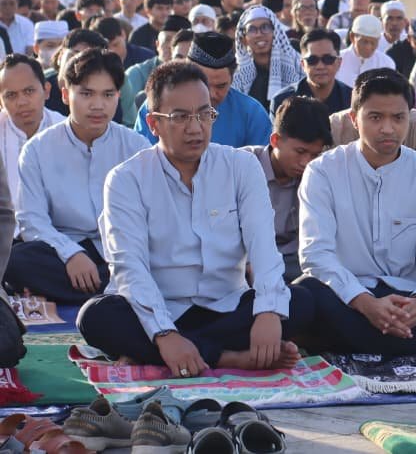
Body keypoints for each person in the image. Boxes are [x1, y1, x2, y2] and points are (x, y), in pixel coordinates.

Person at [78, 61, 316, 375]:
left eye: (205, 114)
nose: (196, 127)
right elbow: (129, 268)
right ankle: (225, 357)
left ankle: (173, 352)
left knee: (302, 300)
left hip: (227, 305)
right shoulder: (126, 179)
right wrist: (165, 334)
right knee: (96, 317)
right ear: (153, 124)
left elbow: (263, 247)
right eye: (180, 117)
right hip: (159, 308)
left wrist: (269, 310)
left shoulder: (240, 167)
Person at [298, 71, 416, 356]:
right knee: (304, 296)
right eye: (375, 117)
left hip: (405, 299)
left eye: (398, 118)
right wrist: (365, 303)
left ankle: (377, 342)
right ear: (353, 119)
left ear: (411, 118)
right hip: (348, 296)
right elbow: (316, 255)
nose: (388, 128)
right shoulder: (322, 172)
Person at [5, 51, 148, 303]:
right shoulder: (38, 149)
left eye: (107, 94)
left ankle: (99, 291)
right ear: (64, 94)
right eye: (86, 94)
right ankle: (110, 294)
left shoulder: (135, 146)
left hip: (121, 250)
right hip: (62, 250)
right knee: (16, 258)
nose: (97, 105)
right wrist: (70, 253)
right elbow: (31, 219)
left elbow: (150, 217)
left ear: (118, 96)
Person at [243, 96, 331, 282]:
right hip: (247, 262)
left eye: (314, 154)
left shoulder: (319, 174)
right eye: (300, 152)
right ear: (275, 140)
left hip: (295, 264)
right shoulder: (241, 166)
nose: (306, 162)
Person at [135, 32, 272, 149]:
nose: (211, 94)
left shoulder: (251, 113)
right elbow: (143, 162)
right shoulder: (157, 106)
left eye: (221, 86)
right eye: (205, 84)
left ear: (232, 78)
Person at [0, 53, 65, 204]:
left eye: (29, 91)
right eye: (11, 95)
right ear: (1, 102)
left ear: (46, 91)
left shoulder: (67, 131)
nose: (22, 102)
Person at [232, 6, 303, 112]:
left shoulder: (296, 63)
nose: (259, 34)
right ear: (244, 40)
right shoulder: (237, 74)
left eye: (265, 27)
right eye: (252, 29)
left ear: (275, 33)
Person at [270, 28, 352, 114]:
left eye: (328, 59)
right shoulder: (282, 102)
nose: (320, 66)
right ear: (302, 64)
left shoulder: (352, 100)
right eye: (312, 60)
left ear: (339, 62)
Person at [337, 14, 397, 87]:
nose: (368, 47)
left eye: (373, 43)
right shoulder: (337, 60)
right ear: (352, 37)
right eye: (364, 42)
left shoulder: (386, 63)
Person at [381, 2, 416, 76]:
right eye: (389, 18)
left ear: (405, 21)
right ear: (381, 21)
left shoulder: (409, 42)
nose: (394, 23)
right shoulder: (374, 42)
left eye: (399, 18)